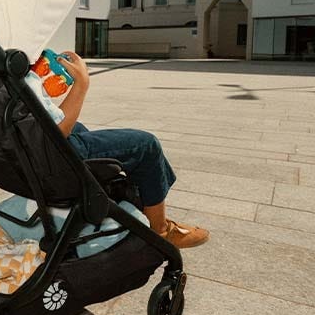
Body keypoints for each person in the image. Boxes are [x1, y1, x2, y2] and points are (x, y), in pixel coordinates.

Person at [49, 51, 209, 249]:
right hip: (52, 155)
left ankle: (126, 203)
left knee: (81, 129)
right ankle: (160, 230)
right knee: (146, 145)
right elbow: (53, 133)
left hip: (24, 150)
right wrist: (81, 83)